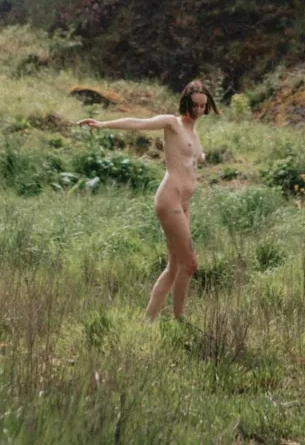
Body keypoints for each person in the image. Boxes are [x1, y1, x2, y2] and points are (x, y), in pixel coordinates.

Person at [77, 79, 217, 321]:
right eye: (195, 105)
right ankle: (179, 319)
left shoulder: (194, 132)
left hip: (184, 203)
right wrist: (103, 124)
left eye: (203, 106)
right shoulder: (172, 123)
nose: (199, 111)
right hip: (169, 199)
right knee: (190, 263)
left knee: (174, 266)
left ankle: (148, 319)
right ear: (186, 102)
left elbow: (194, 156)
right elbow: (139, 123)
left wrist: (201, 156)